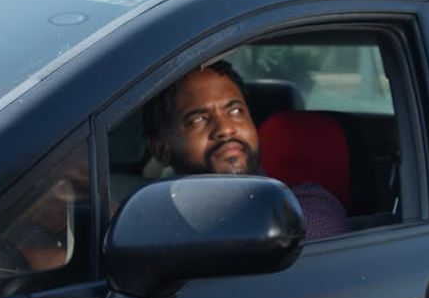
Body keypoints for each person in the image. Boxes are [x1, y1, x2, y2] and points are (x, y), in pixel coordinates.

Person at [142, 60, 349, 240]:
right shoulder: (148, 218)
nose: (225, 128)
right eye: (198, 119)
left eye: (235, 111)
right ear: (161, 150)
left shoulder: (310, 206)